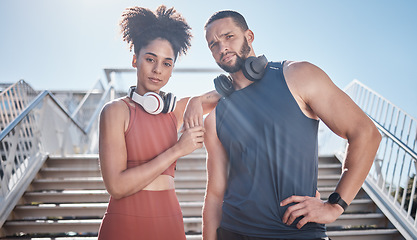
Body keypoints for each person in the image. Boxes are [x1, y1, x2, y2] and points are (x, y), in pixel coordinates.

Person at [202, 10, 382, 240]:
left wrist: (335, 205)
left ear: (249, 36)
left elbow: (366, 133)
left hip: (298, 233)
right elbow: (215, 196)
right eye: (213, 44)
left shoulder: (297, 75)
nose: (222, 48)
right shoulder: (216, 116)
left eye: (229, 37)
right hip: (234, 231)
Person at [97, 5, 218, 240]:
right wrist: (178, 150)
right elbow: (117, 186)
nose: (157, 70)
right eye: (150, 59)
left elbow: (228, 92)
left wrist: (195, 100)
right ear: (135, 60)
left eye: (166, 63)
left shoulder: (174, 111)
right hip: (124, 223)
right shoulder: (115, 111)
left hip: (169, 221)